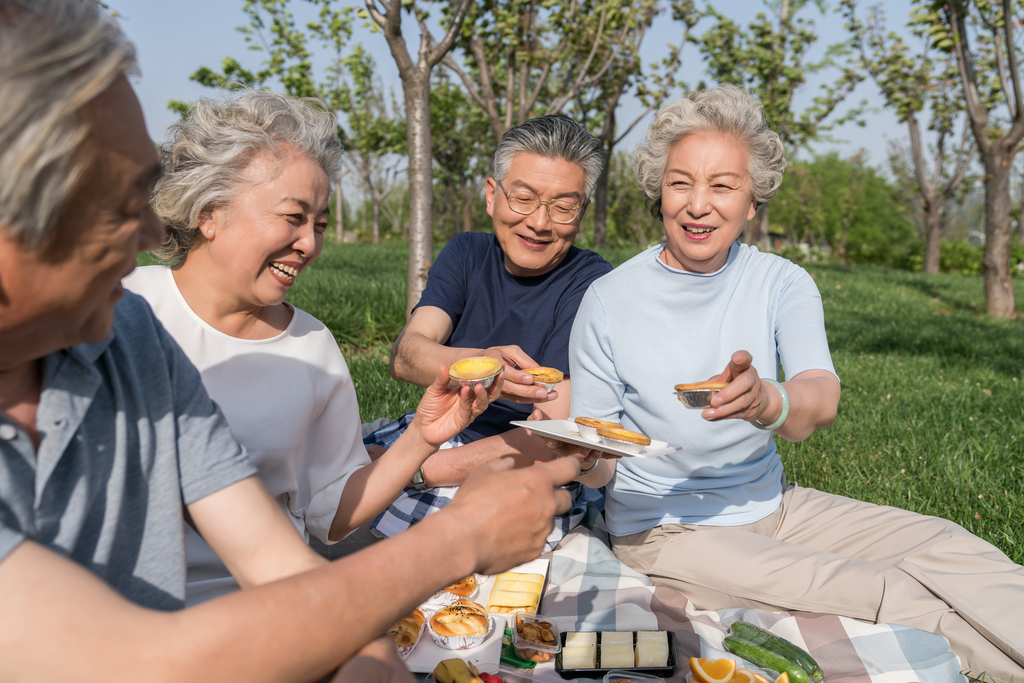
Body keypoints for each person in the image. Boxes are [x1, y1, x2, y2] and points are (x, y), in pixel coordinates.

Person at [0, 1, 579, 681]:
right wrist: (457, 540)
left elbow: (283, 560)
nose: (151, 236)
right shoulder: (151, 315)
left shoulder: (136, 340)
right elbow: (133, 661)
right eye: (118, 202)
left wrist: (367, 656)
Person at [568, 84, 1024, 683]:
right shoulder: (608, 301)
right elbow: (598, 456)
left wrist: (766, 400)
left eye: (722, 185)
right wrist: (581, 458)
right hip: (665, 530)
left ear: (752, 202)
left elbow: (818, 399)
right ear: (659, 193)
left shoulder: (782, 282)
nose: (698, 204)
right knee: (888, 590)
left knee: (949, 546)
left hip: (775, 505)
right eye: (681, 183)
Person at [123, 90, 498, 604]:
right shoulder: (122, 309)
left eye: (319, 225)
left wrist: (422, 436)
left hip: (262, 609)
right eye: (292, 217)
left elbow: (328, 518)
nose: (310, 244)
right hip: (113, 613)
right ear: (209, 212)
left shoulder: (311, 345)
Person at [373, 114, 613, 548]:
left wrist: (415, 470)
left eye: (562, 207)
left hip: (513, 464)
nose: (540, 223)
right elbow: (407, 355)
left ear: (581, 212)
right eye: (523, 198)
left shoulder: (591, 283)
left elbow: (554, 436)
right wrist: (485, 369)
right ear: (491, 195)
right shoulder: (467, 253)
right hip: (437, 433)